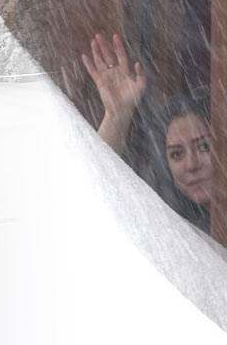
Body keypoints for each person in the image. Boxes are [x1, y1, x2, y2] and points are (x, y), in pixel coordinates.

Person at [81, 33, 212, 232]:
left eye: (203, 146)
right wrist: (117, 117)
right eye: (176, 154)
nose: (192, 164)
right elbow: (92, 190)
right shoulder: (157, 222)